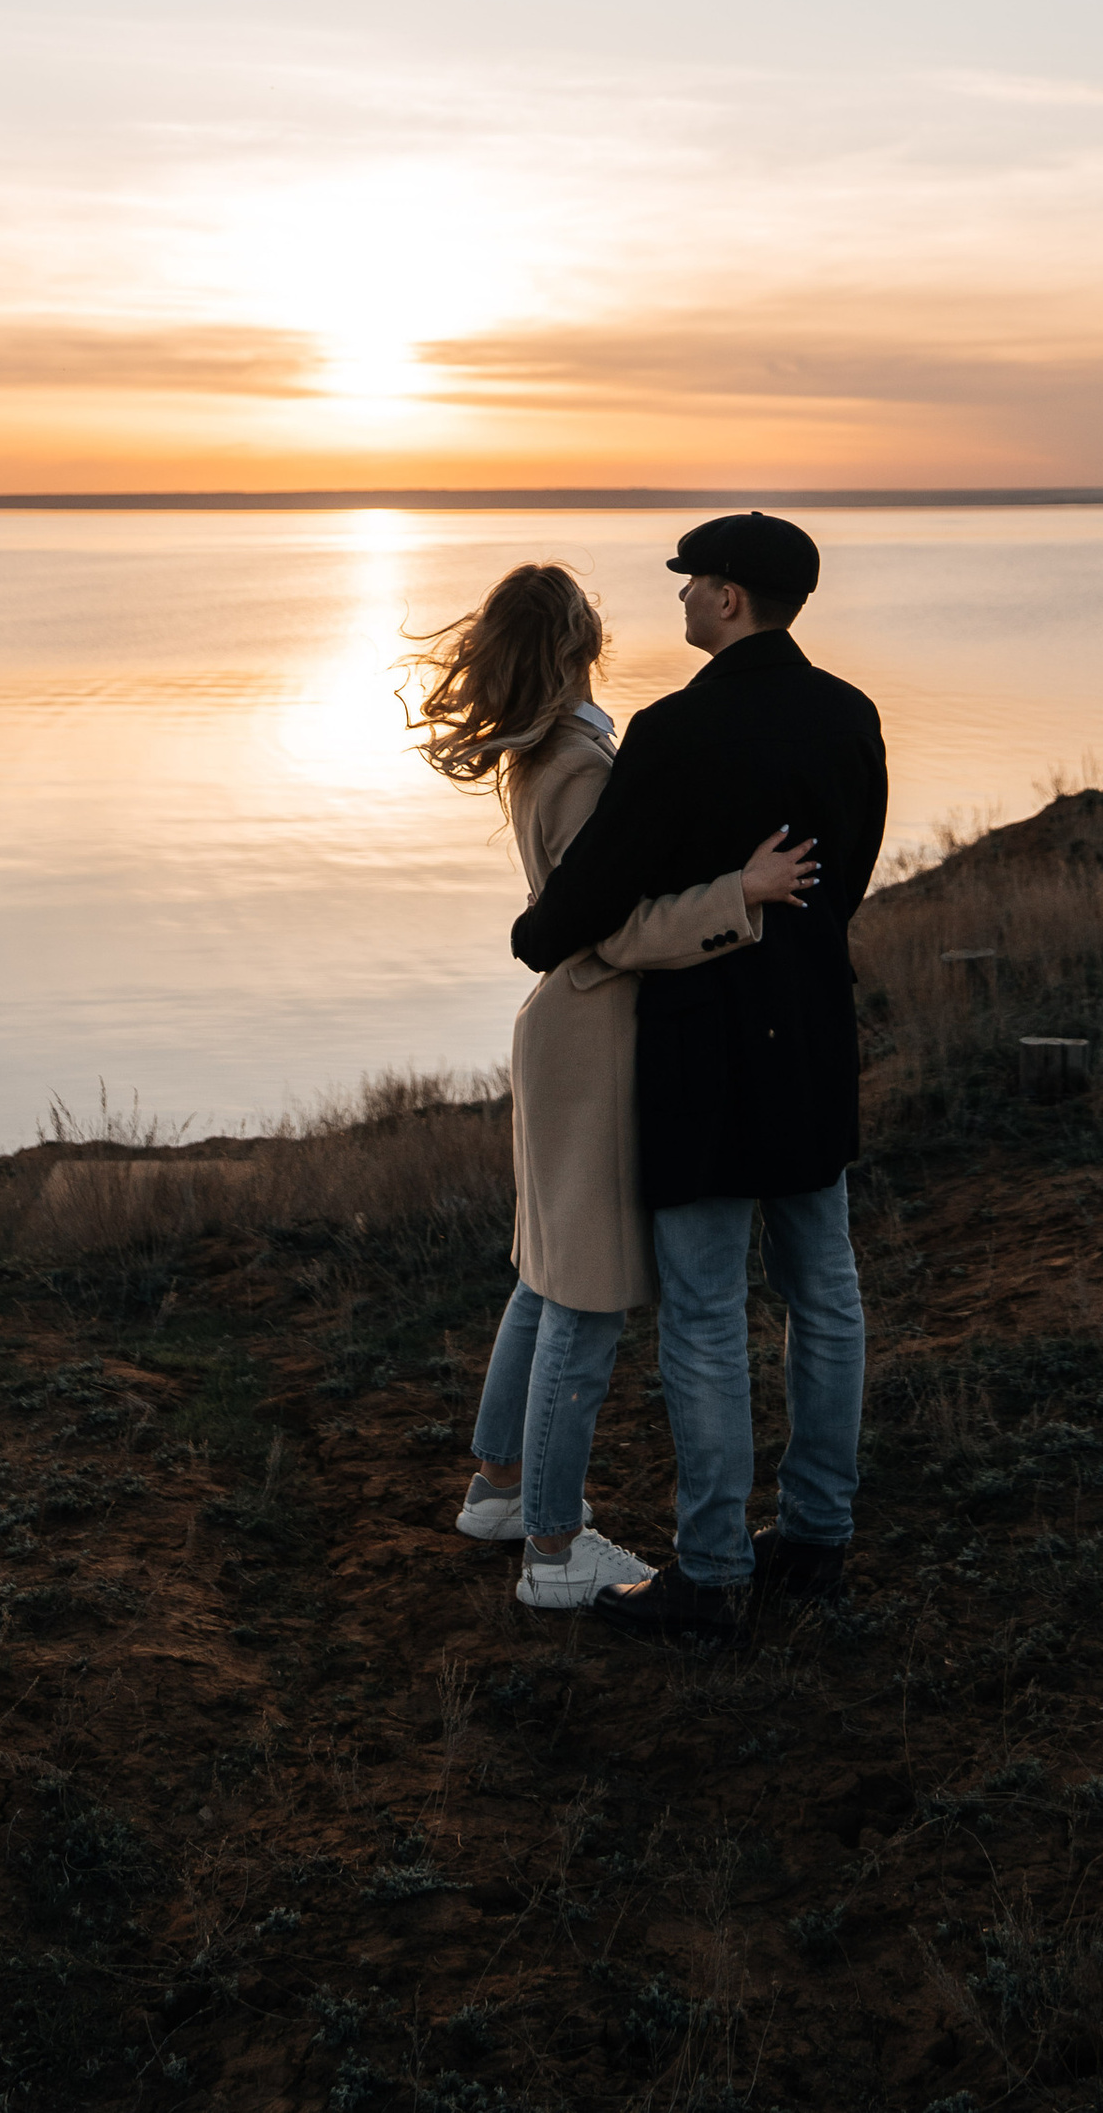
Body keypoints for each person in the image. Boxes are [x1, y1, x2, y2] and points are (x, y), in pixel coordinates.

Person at [410, 561, 819, 1613]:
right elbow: (616, 926)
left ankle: (499, 1486)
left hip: (567, 1033)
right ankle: (553, 1548)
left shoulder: (544, 748)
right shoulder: (583, 765)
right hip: (594, 1034)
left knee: (546, 1274)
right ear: (580, 639)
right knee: (585, 1298)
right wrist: (743, 892)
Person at [510, 511, 888, 1638]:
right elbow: (847, 879)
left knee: (709, 1320)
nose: (675, 600)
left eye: (688, 585)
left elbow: (575, 916)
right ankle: (817, 1539)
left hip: (702, 1061)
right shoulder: (850, 715)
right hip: (813, 1042)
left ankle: (714, 1570)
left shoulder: (673, 733)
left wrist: (542, 933)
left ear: (727, 600)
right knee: (825, 1295)